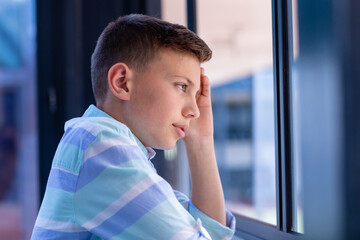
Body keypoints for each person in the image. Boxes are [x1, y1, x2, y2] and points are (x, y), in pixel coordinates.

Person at [31, 14, 235, 240]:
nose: (195, 110)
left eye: (196, 95)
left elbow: (212, 234)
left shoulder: (118, 155)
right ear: (122, 83)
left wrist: (201, 141)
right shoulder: (100, 145)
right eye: (181, 86)